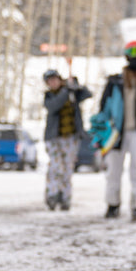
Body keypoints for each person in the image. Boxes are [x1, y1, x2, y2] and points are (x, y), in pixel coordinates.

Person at [91, 41, 136, 221]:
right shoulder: (114, 82)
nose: (135, 56)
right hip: (116, 134)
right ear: (125, 55)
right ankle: (112, 204)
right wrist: (99, 132)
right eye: (131, 52)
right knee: (113, 171)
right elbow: (104, 108)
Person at [42, 69, 92, 211]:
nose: (53, 83)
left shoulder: (71, 93)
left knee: (67, 168)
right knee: (55, 167)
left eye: (54, 79)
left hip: (70, 138)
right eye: (49, 81)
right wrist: (66, 91)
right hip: (54, 138)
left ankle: (65, 197)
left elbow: (88, 94)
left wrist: (77, 86)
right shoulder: (49, 96)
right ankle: (52, 194)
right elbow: (53, 106)